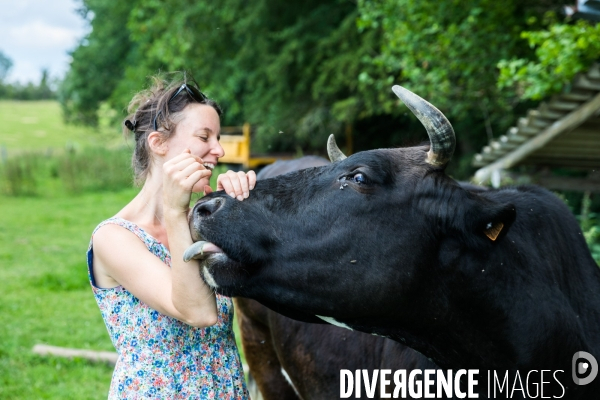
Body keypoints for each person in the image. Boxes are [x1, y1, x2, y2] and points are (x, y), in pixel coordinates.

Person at [86, 75, 253, 399]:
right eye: (205, 136)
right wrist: (175, 213)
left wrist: (246, 208)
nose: (218, 150)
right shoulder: (113, 238)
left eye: (217, 137)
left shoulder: (201, 220)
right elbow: (198, 313)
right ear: (158, 143)